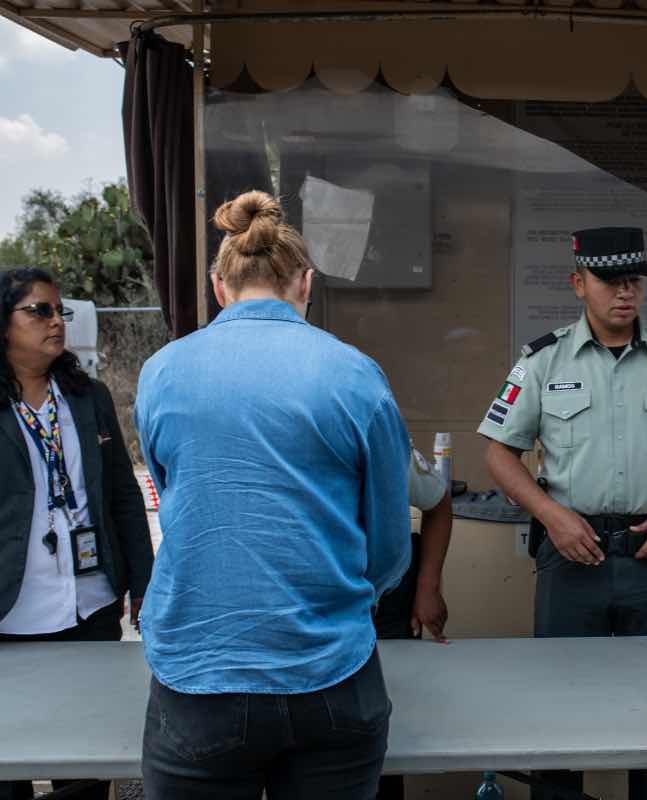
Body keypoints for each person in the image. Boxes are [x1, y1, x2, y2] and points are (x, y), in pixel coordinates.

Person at [135, 191, 412, 800]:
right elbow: (390, 545)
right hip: (330, 672)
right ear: (306, 283)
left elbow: (175, 496)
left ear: (218, 285)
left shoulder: (161, 372)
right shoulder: (355, 373)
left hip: (198, 675)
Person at [478, 226, 647, 800]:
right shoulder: (543, 361)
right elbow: (499, 452)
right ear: (578, 283)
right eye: (609, 280)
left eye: (634, 281)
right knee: (559, 705)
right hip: (574, 557)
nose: (625, 292)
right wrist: (550, 515)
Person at [0, 267, 155, 800]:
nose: (55, 322)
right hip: (12, 613)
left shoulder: (87, 397)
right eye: (38, 311)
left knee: (87, 762)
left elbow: (122, 498)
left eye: (59, 310)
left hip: (89, 604)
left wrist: (142, 581)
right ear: (3, 323)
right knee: (11, 762)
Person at [374, 443, 452, 800]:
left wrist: (427, 585)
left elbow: (437, 502)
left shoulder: (379, 431)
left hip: (384, 602)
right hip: (303, 608)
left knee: (390, 732)